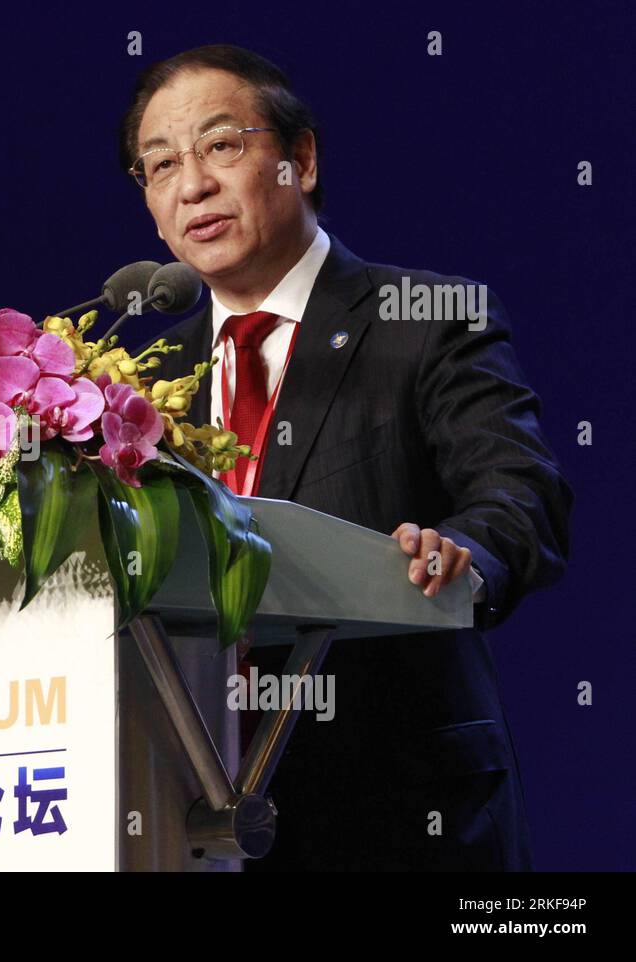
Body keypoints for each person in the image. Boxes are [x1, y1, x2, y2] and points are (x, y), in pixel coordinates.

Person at [122, 44, 572, 870]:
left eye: (221, 146)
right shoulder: (145, 387)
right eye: (159, 165)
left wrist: (464, 551)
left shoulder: (427, 319)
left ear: (300, 159)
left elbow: (520, 490)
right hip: (193, 812)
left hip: (398, 808)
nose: (192, 185)